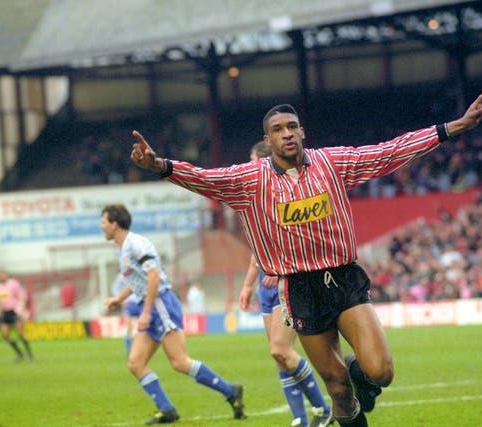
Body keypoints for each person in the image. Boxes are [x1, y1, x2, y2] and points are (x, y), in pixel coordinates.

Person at [129, 89, 482, 427]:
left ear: (302, 131)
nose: (286, 134)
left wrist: (454, 127)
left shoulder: (331, 163)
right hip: (299, 289)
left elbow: (388, 152)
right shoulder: (248, 181)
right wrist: (159, 165)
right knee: (337, 388)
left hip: (344, 279)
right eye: (277, 129)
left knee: (380, 372)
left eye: (292, 126)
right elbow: (203, 177)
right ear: (268, 140)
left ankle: (360, 375)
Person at [101, 204, 246, 424]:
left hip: (161, 304)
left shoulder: (136, 244)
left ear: (114, 224)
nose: (101, 226)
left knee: (179, 362)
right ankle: (167, 409)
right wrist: (118, 299)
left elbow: (154, 277)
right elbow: (138, 280)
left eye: (103, 222)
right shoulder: (124, 249)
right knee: (135, 363)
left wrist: (147, 312)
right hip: (150, 305)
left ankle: (230, 391)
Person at [238, 141, 332, 427]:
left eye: (254, 161)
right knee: (279, 357)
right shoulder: (259, 200)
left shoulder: (284, 196)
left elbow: (298, 238)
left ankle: (322, 408)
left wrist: (279, 270)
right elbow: (258, 251)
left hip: (287, 283)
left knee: (281, 349)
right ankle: (299, 419)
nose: (251, 167)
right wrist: (247, 286)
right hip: (266, 288)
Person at [0, 271, 33, 362]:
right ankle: (19, 354)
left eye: (1, 274)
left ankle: (29, 354)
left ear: (5, 275)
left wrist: (21, 309)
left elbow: (22, 296)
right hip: (5, 312)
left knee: (21, 333)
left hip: (15, 311)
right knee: (5, 335)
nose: (0, 277)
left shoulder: (13, 283)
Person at [111, 273, 141, 355]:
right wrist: (121, 300)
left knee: (145, 325)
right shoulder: (122, 276)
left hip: (141, 302)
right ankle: (129, 349)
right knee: (129, 326)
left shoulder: (139, 273)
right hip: (129, 303)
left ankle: (143, 347)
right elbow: (114, 288)